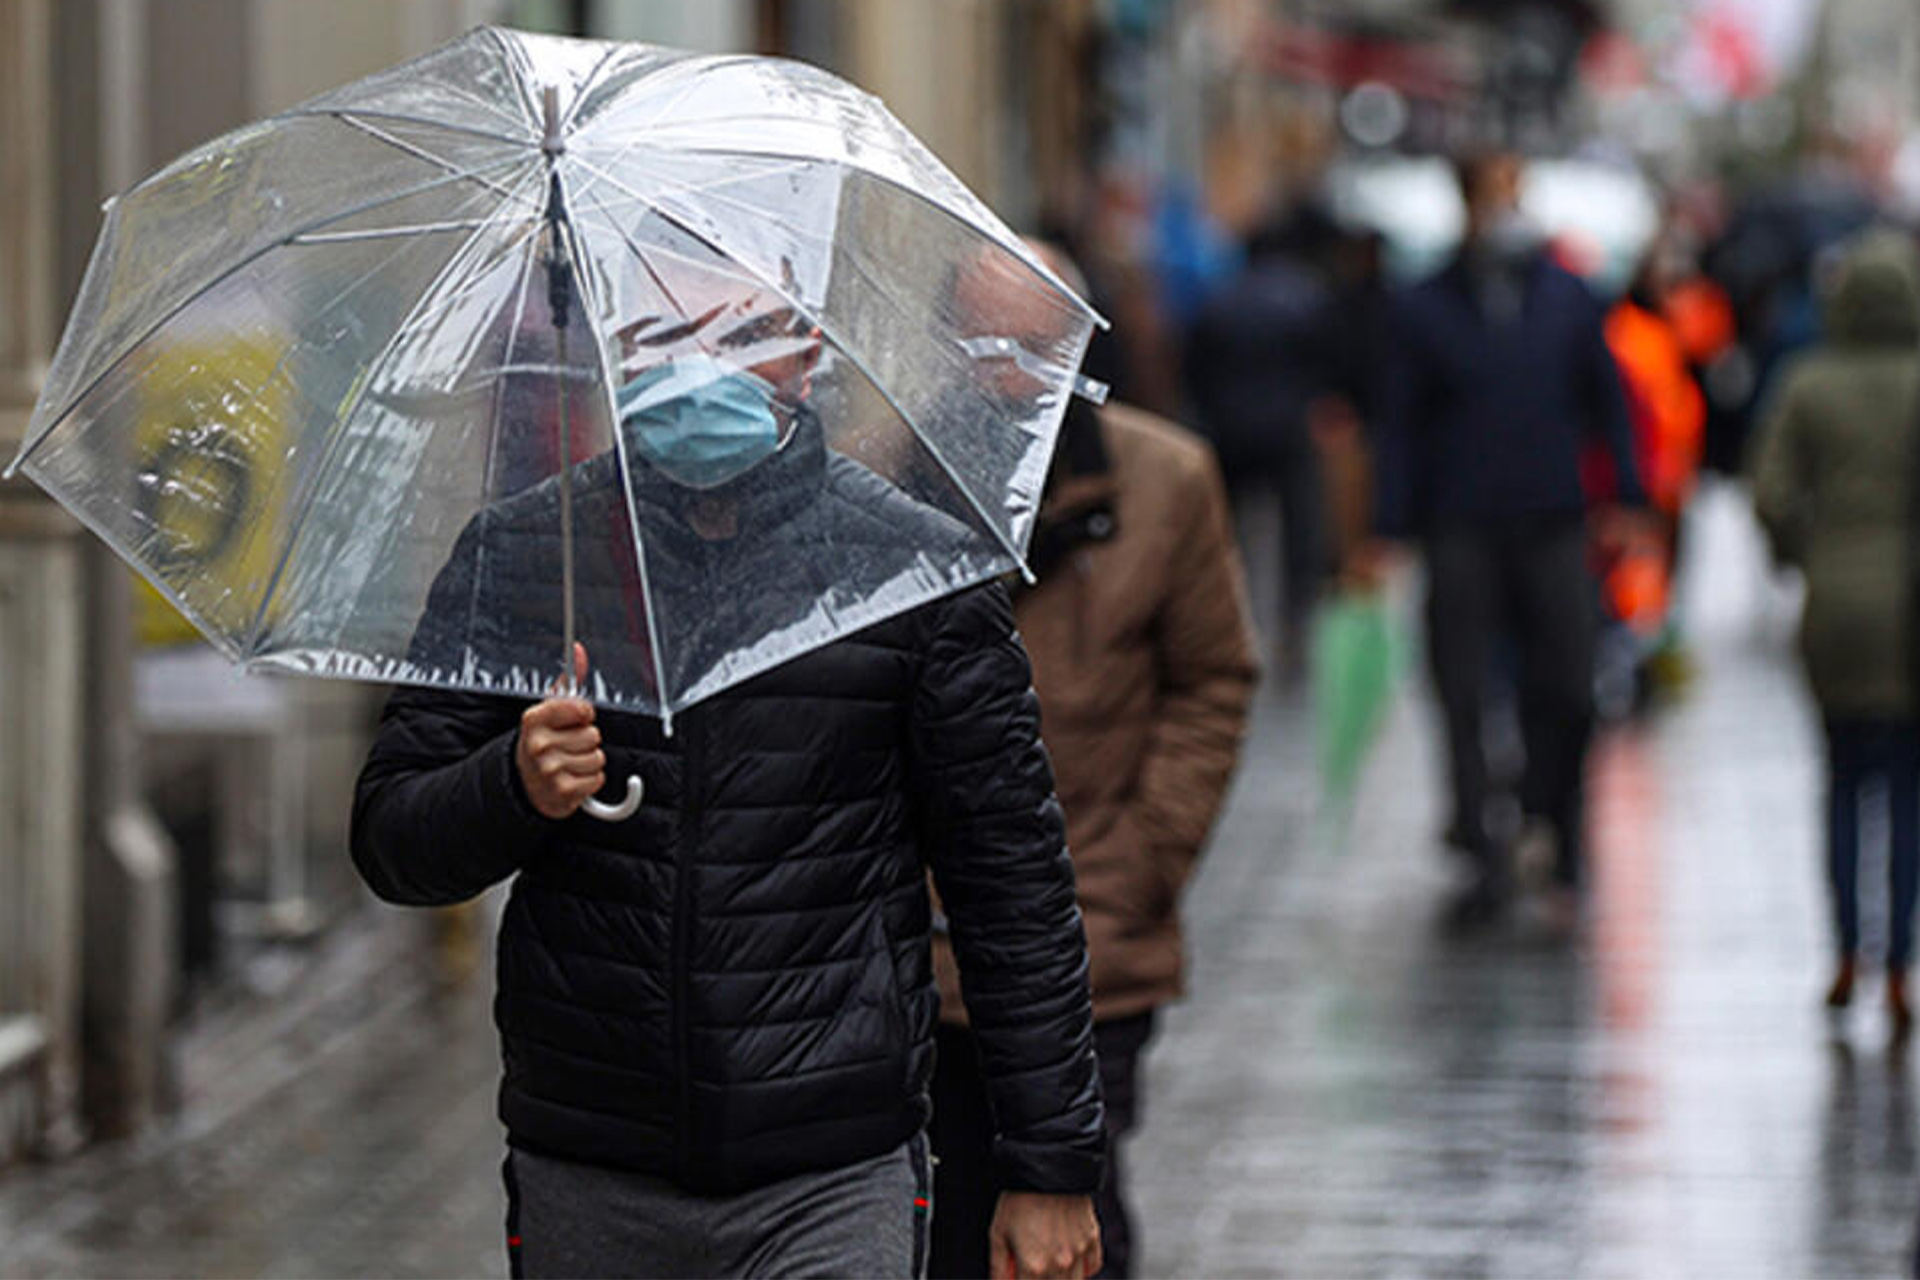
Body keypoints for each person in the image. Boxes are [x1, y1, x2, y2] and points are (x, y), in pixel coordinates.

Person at [350, 259, 1108, 1278]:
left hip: (831, 1167)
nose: (701, 368)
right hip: (593, 1158)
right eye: (665, 336)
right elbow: (394, 841)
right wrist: (513, 785)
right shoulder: (527, 554)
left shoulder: (911, 571)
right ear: (617, 355)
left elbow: (1010, 880)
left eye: (739, 333)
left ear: (805, 349)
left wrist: (1048, 1162)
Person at [928, 242, 1260, 1279]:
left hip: (1093, 933)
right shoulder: (888, 467)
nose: (1008, 374)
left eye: (1036, 348)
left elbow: (1213, 679)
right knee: (936, 1225)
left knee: (1072, 1227)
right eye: (982, 345)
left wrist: (1144, 857)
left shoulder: (1165, 481)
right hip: (915, 947)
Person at [1356, 148, 1648, 919]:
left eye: (1516, 193)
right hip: (1460, 519)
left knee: (1570, 678)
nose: (1507, 211)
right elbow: (1401, 423)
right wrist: (1388, 523)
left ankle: (1554, 818)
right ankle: (1477, 835)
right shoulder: (1424, 305)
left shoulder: (1568, 297)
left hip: (1552, 515)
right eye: (1494, 196)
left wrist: (1625, 492)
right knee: (1459, 684)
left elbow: (1607, 400)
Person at [1750, 230, 1920, 1035]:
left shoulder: (1808, 383)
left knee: (1844, 783)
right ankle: (1901, 966)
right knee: (1910, 791)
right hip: (1912, 612)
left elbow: (1773, 494)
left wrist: (1804, 555)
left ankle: (1846, 950)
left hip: (1836, 608)